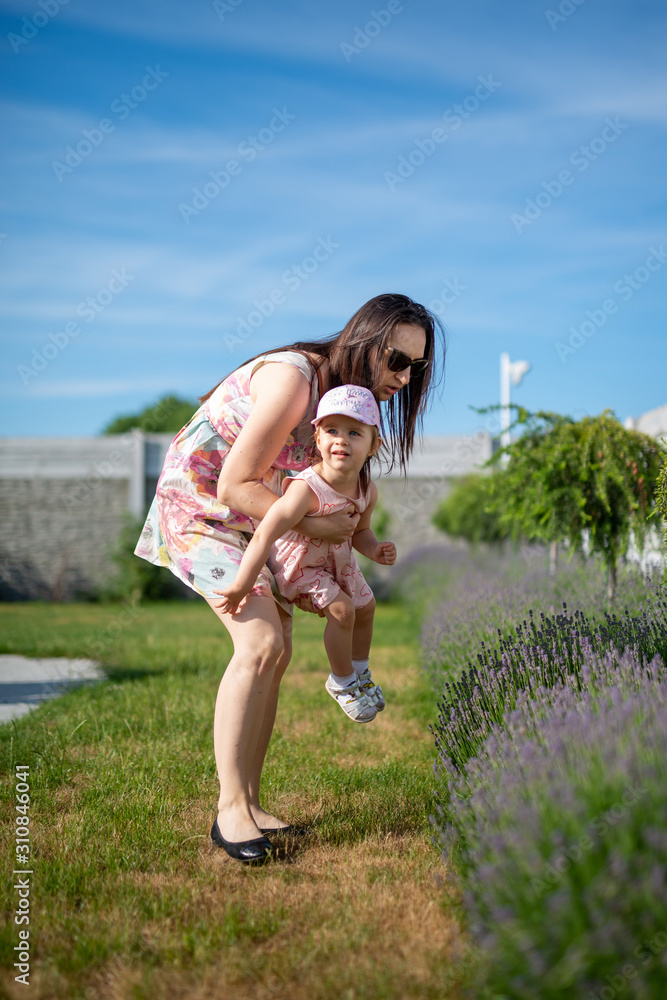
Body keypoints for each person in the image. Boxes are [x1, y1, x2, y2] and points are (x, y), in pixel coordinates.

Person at [134, 292, 443, 863]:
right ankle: (229, 811)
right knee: (261, 641)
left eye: (416, 367)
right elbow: (233, 486)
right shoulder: (295, 380)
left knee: (277, 654)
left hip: (260, 519)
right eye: (396, 359)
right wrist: (320, 527)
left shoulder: (345, 406)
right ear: (363, 341)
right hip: (202, 510)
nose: (405, 376)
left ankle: (249, 803)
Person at [213, 385, 396, 725]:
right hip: (302, 565)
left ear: (373, 445)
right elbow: (265, 533)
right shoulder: (306, 489)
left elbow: (359, 532)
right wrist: (242, 584)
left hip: (338, 563)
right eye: (331, 430)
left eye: (354, 432)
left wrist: (375, 549)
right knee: (343, 611)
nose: (341, 440)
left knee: (366, 607)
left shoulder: (366, 490)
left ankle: (359, 673)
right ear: (317, 436)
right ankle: (340, 682)